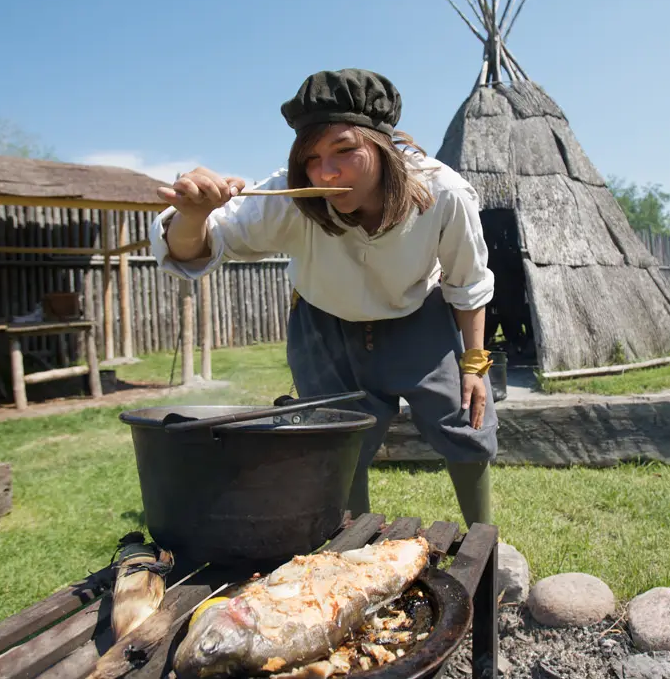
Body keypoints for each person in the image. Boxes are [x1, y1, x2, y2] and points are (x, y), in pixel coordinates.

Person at [149, 68, 498, 527]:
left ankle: (483, 539)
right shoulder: (287, 198)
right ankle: (352, 544)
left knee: (466, 419)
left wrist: (473, 364)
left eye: (345, 150)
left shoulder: (442, 193)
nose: (325, 172)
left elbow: (468, 281)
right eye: (311, 158)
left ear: (382, 145)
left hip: (420, 318)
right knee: (337, 439)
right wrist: (194, 216)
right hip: (324, 327)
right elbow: (192, 248)